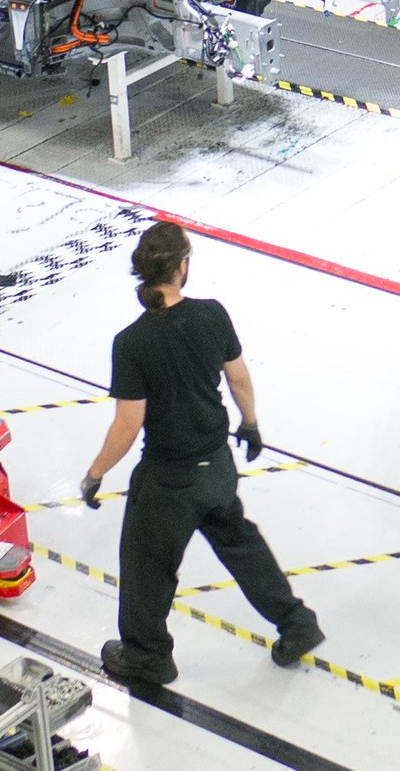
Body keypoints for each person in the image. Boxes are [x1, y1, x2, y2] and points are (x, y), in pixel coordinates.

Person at [81, 222, 323, 686]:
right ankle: (297, 623)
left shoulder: (132, 342)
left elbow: (128, 424)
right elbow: (239, 378)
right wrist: (249, 424)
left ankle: (147, 656)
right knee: (240, 544)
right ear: (181, 267)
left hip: (169, 482)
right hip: (217, 467)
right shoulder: (212, 315)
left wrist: (95, 473)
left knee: (146, 566)